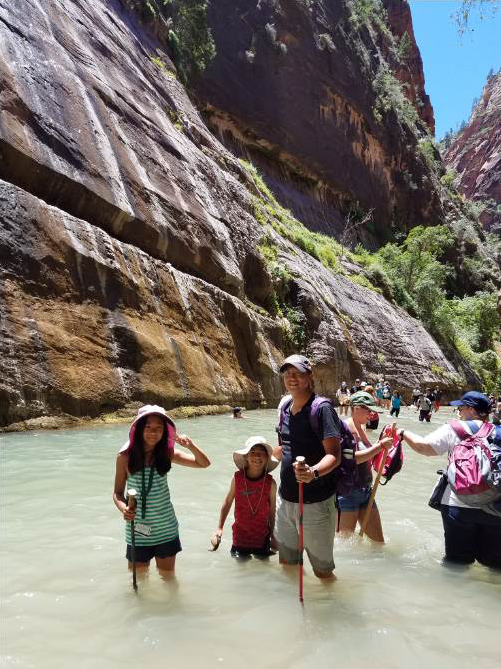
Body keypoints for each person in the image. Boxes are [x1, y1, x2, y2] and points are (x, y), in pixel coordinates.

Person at [397, 391, 501, 568]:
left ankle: (452, 591)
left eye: (460, 408)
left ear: (470, 409)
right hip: (496, 506)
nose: (459, 412)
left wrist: (403, 433)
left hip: (458, 505)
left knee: (457, 562)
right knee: (495, 564)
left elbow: (425, 448)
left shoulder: (455, 428)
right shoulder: (498, 432)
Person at [113, 405, 210, 574]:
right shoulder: (124, 457)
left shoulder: (167, 454)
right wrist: (124, 509)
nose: (153, 432)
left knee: (168, 579)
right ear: (139, 429)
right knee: (139, 580)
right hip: (137, 530)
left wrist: (191, 446)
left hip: (166, 529)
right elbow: (117, 493)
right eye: (148, 427)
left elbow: (204, 464)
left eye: (159, 428)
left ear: (165, 431)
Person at [274, 354, 341, 579]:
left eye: (298, 373)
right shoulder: (284, 408)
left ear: (309, 376)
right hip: (286, 501)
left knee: (322, 572)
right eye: (287, 373)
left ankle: (330, 611)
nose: (292, 378)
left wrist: (313, 473)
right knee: (288, 565)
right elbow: (283, 448)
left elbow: (334, 455)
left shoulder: (321, 409)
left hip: (314, 503)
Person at [337, 392, 392, 541]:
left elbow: (369, 455)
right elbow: (351, 460)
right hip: (348, 493)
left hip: (366, 491)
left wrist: (384, 443)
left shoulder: (360, 427)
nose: (372, 414)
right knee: (345, 546)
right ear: (355, 408)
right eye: (368, 410)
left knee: (379, 543)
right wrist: (379, 446)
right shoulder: (344, 428)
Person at [211, 436, 278, 557]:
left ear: (267, 457)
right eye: (252, 452)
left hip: (262, 537)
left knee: (262, 571)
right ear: (246, 457)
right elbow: (227, 502)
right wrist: (219, 528)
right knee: (240, 569)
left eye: (261, 453)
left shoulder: (270, 483)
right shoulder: (237, 479)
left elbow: (272, 510)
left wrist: (273, 535)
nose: (257, 456)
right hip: (240, 537)